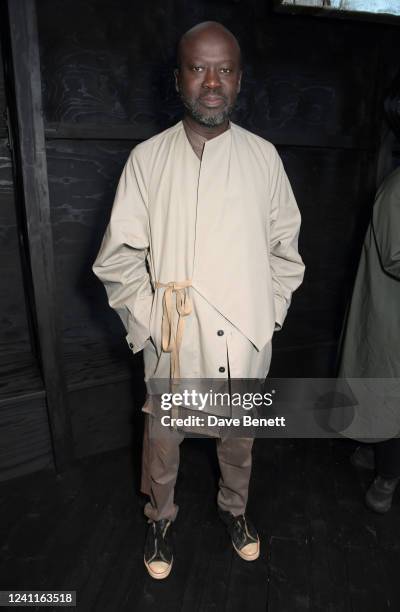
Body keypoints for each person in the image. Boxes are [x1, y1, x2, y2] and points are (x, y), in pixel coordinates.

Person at [92, 21, 305, 579]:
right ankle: (160, 517)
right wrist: (152, 323)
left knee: (239, 439)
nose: (212, 81)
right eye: (197, 68)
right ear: (178, 78)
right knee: (163, 440)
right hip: (174, 336)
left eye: (225, 69)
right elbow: (117, 259)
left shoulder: (264, 159)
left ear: (239, 80)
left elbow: (287, 254)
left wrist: (267, 314)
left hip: (243, 338)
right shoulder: (146, 159)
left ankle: (235, 510)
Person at [339, 166, 400, 513]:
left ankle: (377, 450)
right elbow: (395, 256)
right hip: (392, 312)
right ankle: (388, 474)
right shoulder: (397, 189)